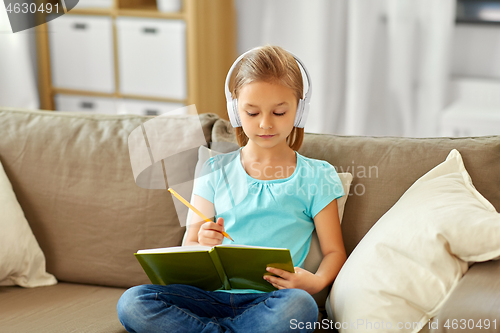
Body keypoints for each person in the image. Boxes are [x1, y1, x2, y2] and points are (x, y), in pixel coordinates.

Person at [117, 45, 347, 333]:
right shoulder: (214, 170)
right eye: (251, 113)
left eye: (279, 112)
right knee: (133, 301)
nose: (265, 123)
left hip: (271, 301)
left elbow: (335, 251)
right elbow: (190, 244)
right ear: (235, 111)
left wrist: (314, 282)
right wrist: (203, 241)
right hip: (210, 298)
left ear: (299, 111)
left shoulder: (317, 175)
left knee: (301, 307)